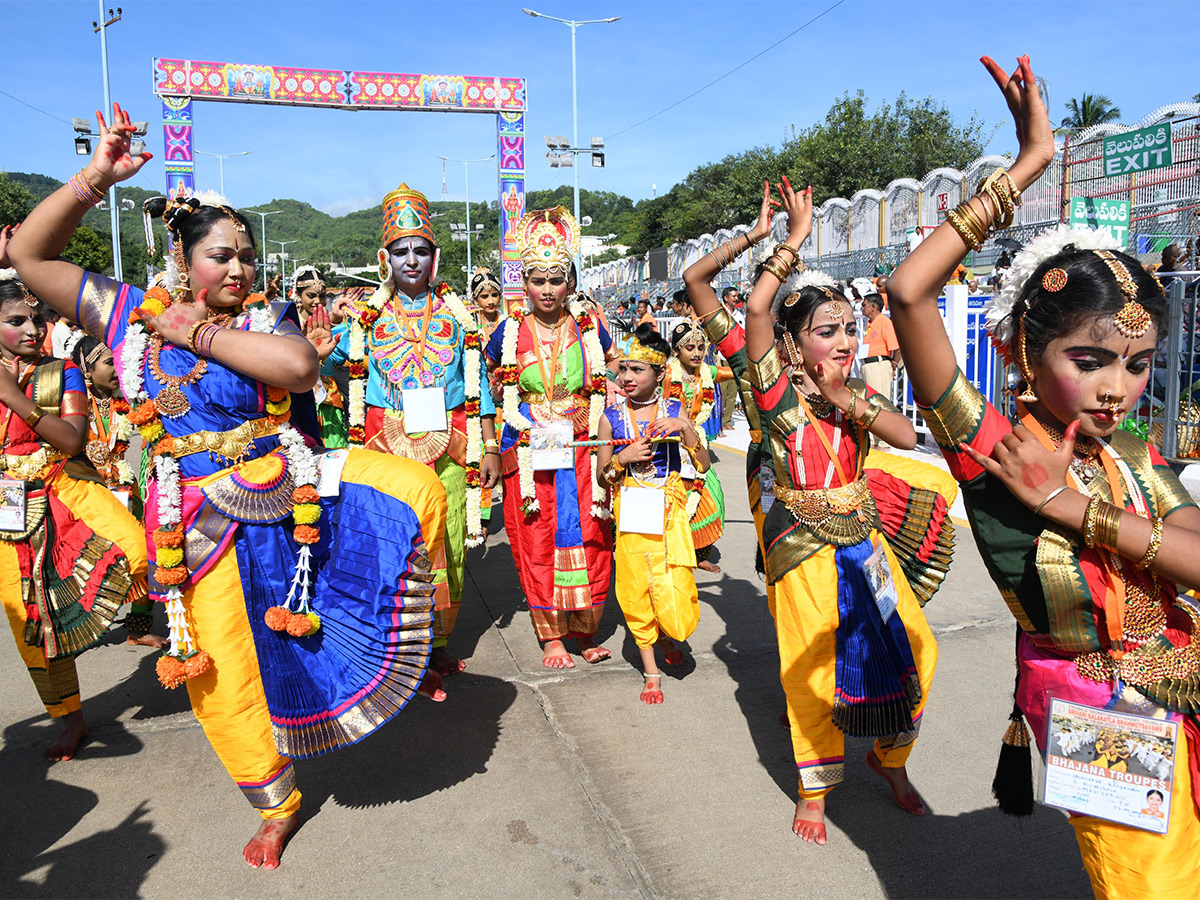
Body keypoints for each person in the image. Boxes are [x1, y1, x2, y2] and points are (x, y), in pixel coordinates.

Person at [9, 103, 450, 868]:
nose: (239, 268)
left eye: (245, 254)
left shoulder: (265, 316)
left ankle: (409, 631)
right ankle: (275, 801)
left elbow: (300, 369)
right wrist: (96, 177)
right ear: (183, 261)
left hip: (284, 497)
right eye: (220, 255)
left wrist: (199, 334)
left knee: (413, 488)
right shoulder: (124, 316)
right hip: (193, 521)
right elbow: (31, 254)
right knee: (219, 668)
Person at [885, 55, 1200, 898]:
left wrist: (1072, 508)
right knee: (1150, 884)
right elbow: (910, 293)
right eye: (1089, 359)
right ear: (1025, 348)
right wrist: (1025, 168)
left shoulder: (1124, 451)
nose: (1116, 388)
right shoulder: (998, 447)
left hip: (1184, 677)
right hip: (1090, 703)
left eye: (1138, 366)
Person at [741, 177, 948, 846]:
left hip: (864, 543)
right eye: (826, 331)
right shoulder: (777, 401)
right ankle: (813, 790)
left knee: (917, 648)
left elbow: (904, 436)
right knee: (816, 671)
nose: (843, 339)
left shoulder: (857, 392)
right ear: (794, 344)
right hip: (802, 548)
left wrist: (847, 394)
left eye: (850, 329)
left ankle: (891, 759)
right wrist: (793, 243)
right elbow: (753, 313)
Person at [331, 183, 500, 677]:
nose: (411, 260)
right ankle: (399, 647)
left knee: (445, 539)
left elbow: (479, 386)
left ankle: (437, 641)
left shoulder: (457, 315)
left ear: (435, 256)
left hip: (451, 444)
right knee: (398, 539)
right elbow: (318, 360)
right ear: (385, 258)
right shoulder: (367, 319)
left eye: (421, 250)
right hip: (387, 446)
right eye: (401, 251)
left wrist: (490, 446)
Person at [0, 265, 148, 761]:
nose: (32, 330)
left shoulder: (59, 371)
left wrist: (15, 398)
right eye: (16, 321)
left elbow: (71, 439)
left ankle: (189, 642)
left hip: (64, 487)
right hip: (7, 512)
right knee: (30, 624)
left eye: (36, 319)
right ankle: (70, 718)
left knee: (140, 551)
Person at [485, 206, 621, 668]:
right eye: (538, 280)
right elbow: (497, 390)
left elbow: (609, 379)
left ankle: (586, 630)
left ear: (570, 282)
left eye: (556, 279)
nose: (547, 290)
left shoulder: (591, 327)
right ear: (524, 282)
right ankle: (551, 635)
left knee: (590, 533)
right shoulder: (508, 332)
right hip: (531, 450)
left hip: (582, 447)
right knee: (540, 536)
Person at [597, 324, 708, 703]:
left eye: (637, 370)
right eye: (622, 369)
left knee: (672, 583)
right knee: (635, 586)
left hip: (669, 514)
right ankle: (651, 671)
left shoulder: (677, 410)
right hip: (631, 511)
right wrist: (622, 459)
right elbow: (602, 475)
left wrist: (685, 429)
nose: (626, 377)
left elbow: (704, 463)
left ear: (660, 373)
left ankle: (666, 636)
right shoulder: (610, 418)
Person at [67, 334, 163, 649]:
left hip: (125, 490)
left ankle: (137, 627)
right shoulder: (71, 406)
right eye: (109, 363)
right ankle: (82, 628)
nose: (117, 369)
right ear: (86, 371)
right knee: (88, 563)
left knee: (144, 554)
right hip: (89, 496)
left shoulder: (126, 398)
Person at [665, 315, 732, 572]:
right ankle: (672, 551)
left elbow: (734, 371)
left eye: (701, 347)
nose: (696, 353)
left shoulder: (705, 372)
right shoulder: (666, 374)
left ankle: (697, 552)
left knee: (710, 495)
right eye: (689, 347)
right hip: (669, 444)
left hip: (696, 444)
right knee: (675, 500)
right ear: (676, 350)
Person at [290, 267, 344, 449]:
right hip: (296, 397)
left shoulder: (328, 325)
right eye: (311, 295)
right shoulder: (286, 324)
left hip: (327, 397)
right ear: (298, 295)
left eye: (322, 296)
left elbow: (330, 367)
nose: (318, 301)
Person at [860, 292, 900, 451]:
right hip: (868, 365)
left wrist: (894, 364)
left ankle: (883, 442)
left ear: (873, 307)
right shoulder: (871, 324)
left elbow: (896, 347)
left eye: (864, 305)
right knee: (869, 403)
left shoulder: (884, 322)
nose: (861, 308)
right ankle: (872, 440)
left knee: (881, 402)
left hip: (879, 365)